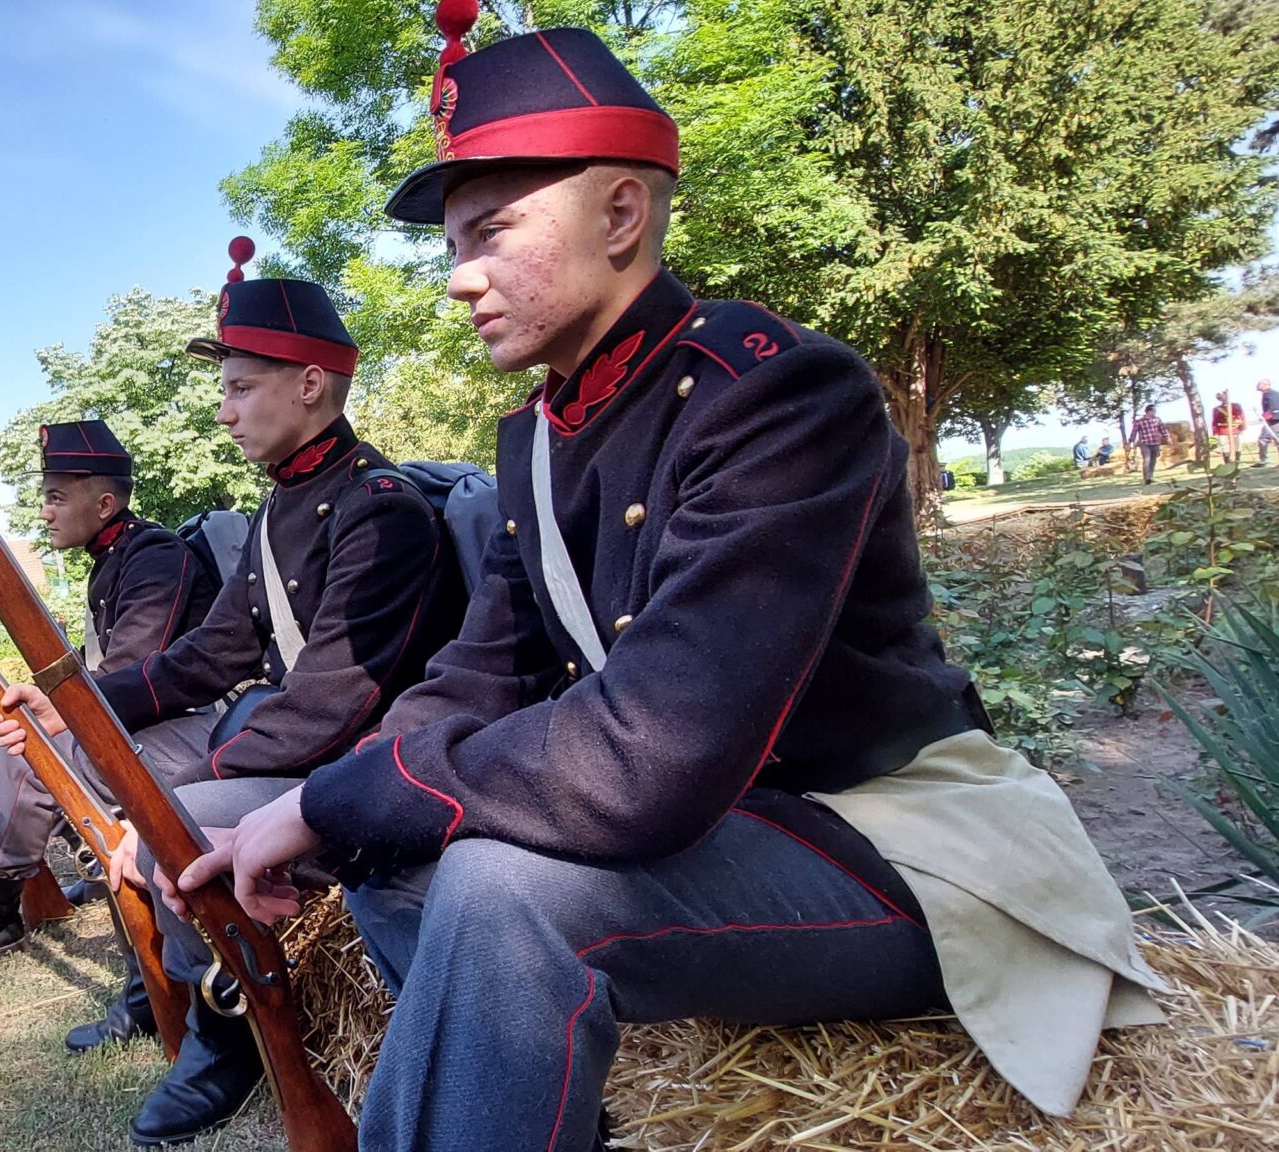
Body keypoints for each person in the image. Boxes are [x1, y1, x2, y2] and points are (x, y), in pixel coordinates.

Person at [95, 15, 1165, 1150]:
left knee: (507, 902)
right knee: (393, 871)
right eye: (451, 246)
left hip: (897, 839)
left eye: (491, 232)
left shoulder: (778, 395)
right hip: (726, 831)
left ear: (621, 213)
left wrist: (324, 798)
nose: (459, 281)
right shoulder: (540, 439)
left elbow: (652, 752)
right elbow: (479, 675)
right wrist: (320, 815)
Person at [0, 240, 466, 1146]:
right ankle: (188, 1000)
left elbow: (332, 702)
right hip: (310, 753)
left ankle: (227, 1032)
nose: (223, 408)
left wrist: (180, 796)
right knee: (151, 801)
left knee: (178, 823)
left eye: (242, 387)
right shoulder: (286, 507)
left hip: (365, 764)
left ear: (311, 385)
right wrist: (81, 707)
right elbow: (207, 656)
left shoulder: (381, 508)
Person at [0, 420, 219, 1055]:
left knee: (37, 762)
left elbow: (131, 674)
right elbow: (87, 675)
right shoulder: (113, 564)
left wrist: (52, 719)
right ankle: (10, 898)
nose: (43, 512)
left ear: (104, 504)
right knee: (31, 744)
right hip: (158, 719)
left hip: (209, 724)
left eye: (55, 497)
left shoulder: (155, 558)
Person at [1256, 378, 1279, 467]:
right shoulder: (1267, 394)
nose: (1258, 386)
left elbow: (1275, 407)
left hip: (1277, 419)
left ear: (1266, 385)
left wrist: (1266, 416)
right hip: (1271, 420)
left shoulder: (1273, 394)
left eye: (1260, 384)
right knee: (1263, 439)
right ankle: (1265, 460)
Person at [1131, 404, 1168, 484]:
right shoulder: (1139, 421)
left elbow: (1162, 429)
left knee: (1153, 460)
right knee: (1146, 460)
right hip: (1145, 443)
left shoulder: (1157, 419)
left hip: (1155, 442)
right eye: (1154, 411)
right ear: (1149, 411)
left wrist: (1167, 437)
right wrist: (1131, 441)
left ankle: (1151, 476)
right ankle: (1146, 478)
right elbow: (1134, 431)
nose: (1155, 412)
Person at [1211, 392, 1246, 466]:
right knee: (1225, 447)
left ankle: (1236, 463)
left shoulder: (1236, 406)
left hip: (1235, 429)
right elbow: (1215, 421)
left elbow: (1241, 417)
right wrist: (1215, 433)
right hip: (1223, 430)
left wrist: (1243, 427)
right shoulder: (1217, 409)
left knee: (1238, 446)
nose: (1223, 399)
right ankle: (1228, 464)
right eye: (1220, 398)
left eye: (1224, 397)